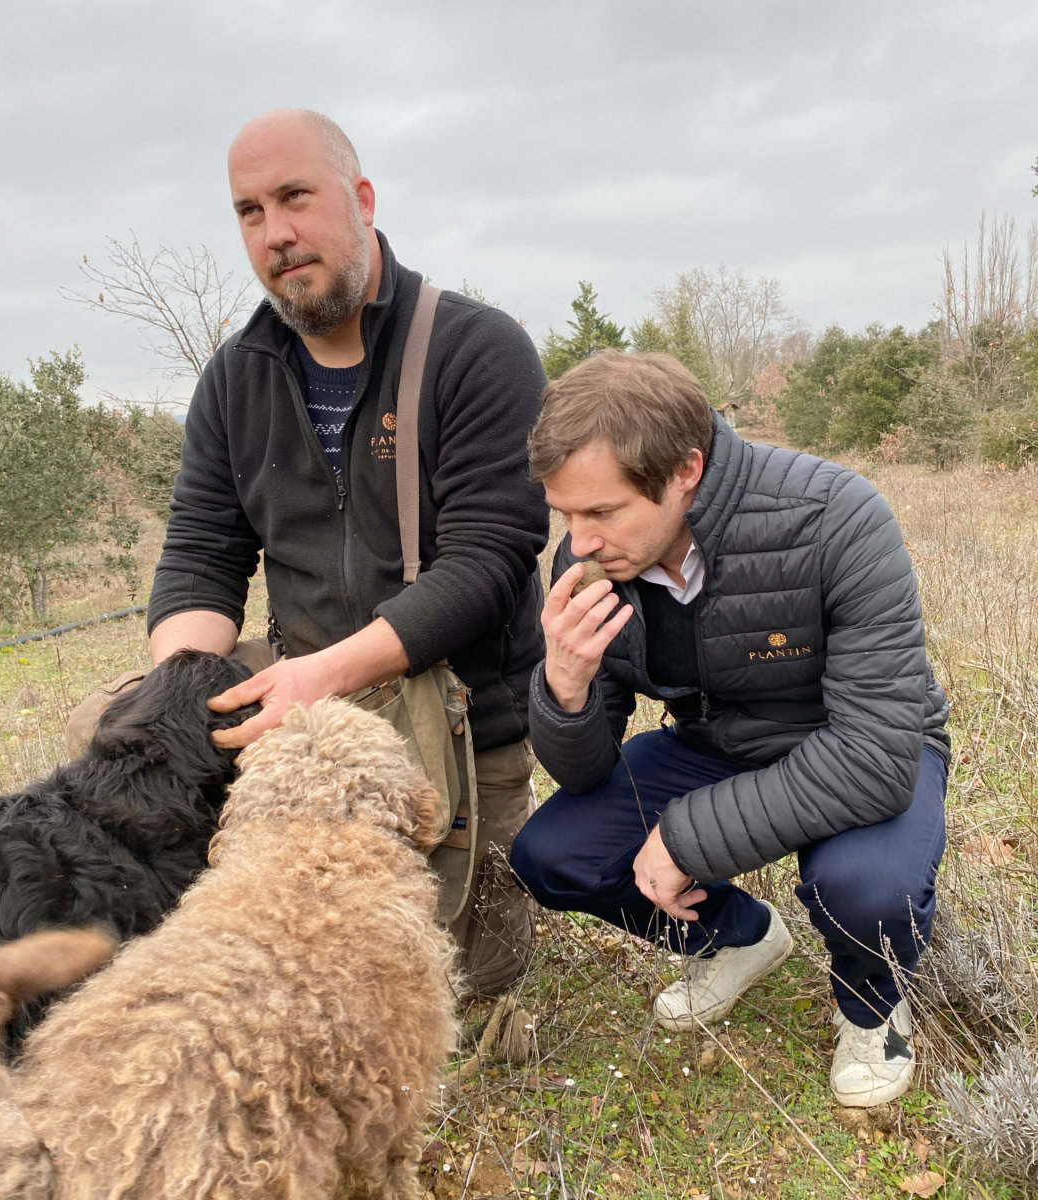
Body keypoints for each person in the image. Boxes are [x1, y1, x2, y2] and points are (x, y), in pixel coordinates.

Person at [78, 108, 549, 996]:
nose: (276, 233)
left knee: (459, 985)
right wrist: (182, 692)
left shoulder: (477, 351)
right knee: (110, 727)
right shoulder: (234, 378)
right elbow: (200, 555)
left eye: (295, 197)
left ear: (362, 199)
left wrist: (319, 679)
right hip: (304, 699)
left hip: (454, 719)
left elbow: (487, 564)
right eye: (249, 212)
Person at [510, 351, 950, 1107]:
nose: (577, 542)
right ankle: (738, 937)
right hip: (716, 744)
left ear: (685, 469)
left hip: (861, 742)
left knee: (864, 886)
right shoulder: (589, 565)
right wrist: (564, 687)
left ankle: (874, 1010)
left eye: (601, 512)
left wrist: (689, 838)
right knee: (552, 855)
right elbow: (582, 774)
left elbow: (876, 756)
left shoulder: (834, 516)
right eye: (566, 515)